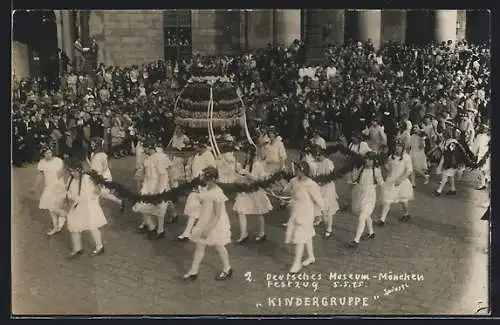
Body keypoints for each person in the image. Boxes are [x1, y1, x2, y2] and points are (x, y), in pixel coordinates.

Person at [183, 167, 233, 281]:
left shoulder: (217, 193)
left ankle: (227, 268)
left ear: (213, 180)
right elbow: (204, 201)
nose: (204, 180)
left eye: (206, 179)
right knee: (200, 246)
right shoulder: (206, 188)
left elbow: (217, 214)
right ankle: (193, 271)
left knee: (219, 245)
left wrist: (208, 229)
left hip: (214, 223)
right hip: (204, 219)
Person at [283, 160, 325, 273]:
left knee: (300, 237)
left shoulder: (311, 184)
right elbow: (287, 190)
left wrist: (320, 213)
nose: (295, 171)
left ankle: (297, 263)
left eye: (297, 169)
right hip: (296, 210)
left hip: (306, 212)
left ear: (303, 171)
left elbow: (319, 201)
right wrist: (284, 190)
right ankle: (311, 257)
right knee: (307, 235)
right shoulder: (294, 181)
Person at [64, 157, 107, 258]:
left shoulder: (88, 178)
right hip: (78, 205)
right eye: (71, 171)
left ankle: (100, 246)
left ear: (80, 170)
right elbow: (69, 192)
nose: (73, 174)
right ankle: (77, 248)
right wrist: (70, 198)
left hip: (89, 206)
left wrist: (97, 190)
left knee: (92, 226)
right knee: (73, 225)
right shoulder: (70, 179)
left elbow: (97, 191)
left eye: (75, 171)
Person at [132, 138, 173, 240]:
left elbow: (163, 174)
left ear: (149, 148)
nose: (143, 150)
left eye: (144, 147)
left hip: (158, 185)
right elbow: (145, 173)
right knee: (141, 206)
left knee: (160, 208)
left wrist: (158, 189)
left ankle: (160, 230)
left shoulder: (159, 157)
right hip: (148, 184)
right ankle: (152, 227)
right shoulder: (147, 158)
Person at [233, 146, 273, 243]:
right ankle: (243, 234)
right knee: (241, 211)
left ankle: (262, 233)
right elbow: (244, 178)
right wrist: (239, 176)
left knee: (259, 212)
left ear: (251, 154)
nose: (244, 155)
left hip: (255, 191)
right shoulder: (246, 164)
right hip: (246, 192)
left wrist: (247, 174)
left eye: (246, 153)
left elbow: (259, 179)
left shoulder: (257, 164)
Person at [177, 141, 216, 241]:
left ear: (202, 146)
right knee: (194, 209)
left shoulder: (208, 155)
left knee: (206, 210)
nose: (194, 147)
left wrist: (204, 182)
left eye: (196, 145)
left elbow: (212, 171)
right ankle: (187, 232)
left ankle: (207, 231)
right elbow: (194, 169)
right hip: (196, 185)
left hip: (204, 185)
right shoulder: (196, 155)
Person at [349, 152, 384, 247]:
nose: (367, 161)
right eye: (366, 159)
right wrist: (353, 169)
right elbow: (354, 179)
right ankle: (371, 232)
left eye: (369, 159)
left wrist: (380, 198)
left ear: (373, 161)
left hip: (370, 196)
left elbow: (381, 184)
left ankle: (356, 240)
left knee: (362, 217)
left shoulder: (376, 171)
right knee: (363, 214)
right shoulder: (361, 169)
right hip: (360, 194)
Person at [375, 140, 414, 226]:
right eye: (396, 146)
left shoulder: (406, 157)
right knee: (387, 200)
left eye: (399, 146)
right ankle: (382, 220)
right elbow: (389, 169)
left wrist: (401, 179)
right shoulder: (391, 157)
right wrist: (384, 164)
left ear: (402, 148)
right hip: (391, 181)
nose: (397, 148)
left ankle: (406, 213)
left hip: (402, 182)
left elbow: (409, 171)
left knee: (403, 200)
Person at [30, 145, 66, 236]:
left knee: (58, 206)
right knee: (50, 207)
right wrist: (35, 187)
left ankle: (63, 218)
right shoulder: (42, 163)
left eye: (50, 152)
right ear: (43, 154)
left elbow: (62, 173)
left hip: (59, 186)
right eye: (46, 153)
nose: (49, 154)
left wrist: (61, 185)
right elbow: (40, 175)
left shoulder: (58, 160)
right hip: (49, 187)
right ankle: (55, 226)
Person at [86, 137, 125, 211]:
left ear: (97, 145)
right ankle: (119, 202)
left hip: (102, 176)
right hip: (101, 175)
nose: (91, 145)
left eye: (93, 144)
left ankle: (95, 210)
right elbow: (93, 166)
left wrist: (97, 180)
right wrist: (88, 161)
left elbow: (99, 169)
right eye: (91, 144)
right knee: (102, 194)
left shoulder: (100, 155)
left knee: (95, 193)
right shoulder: (95, 154)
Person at [310, 145, 339, 239]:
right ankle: (319, 219)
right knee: (317, 206)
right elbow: (312, 174)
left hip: (327, 188)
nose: (317, 157)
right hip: (317, 187)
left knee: (328, 208)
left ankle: (329, 229)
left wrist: (323, 181)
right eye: (316, 155)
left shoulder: (328, 163)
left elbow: (330, 176)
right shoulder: (313, 163)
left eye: (319, 155)